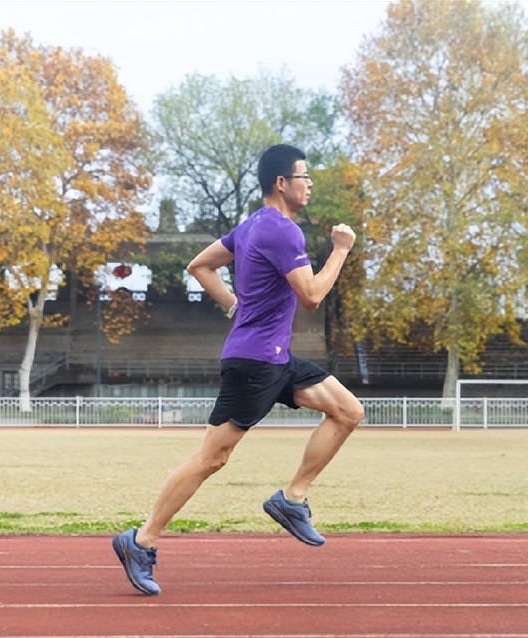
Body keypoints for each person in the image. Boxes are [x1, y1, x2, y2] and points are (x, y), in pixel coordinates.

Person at [112, 144, 364, 595]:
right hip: (254, 364)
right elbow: (311, 296)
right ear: (282, 184)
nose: (310, 185)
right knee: (212, 458)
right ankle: (141, 540)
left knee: (348, 411)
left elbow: (201, 265)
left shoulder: (250, 226)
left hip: (276, 358)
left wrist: (234, 304)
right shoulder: (283, 232)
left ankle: (292, 499)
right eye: (304, 177)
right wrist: (341, 250)